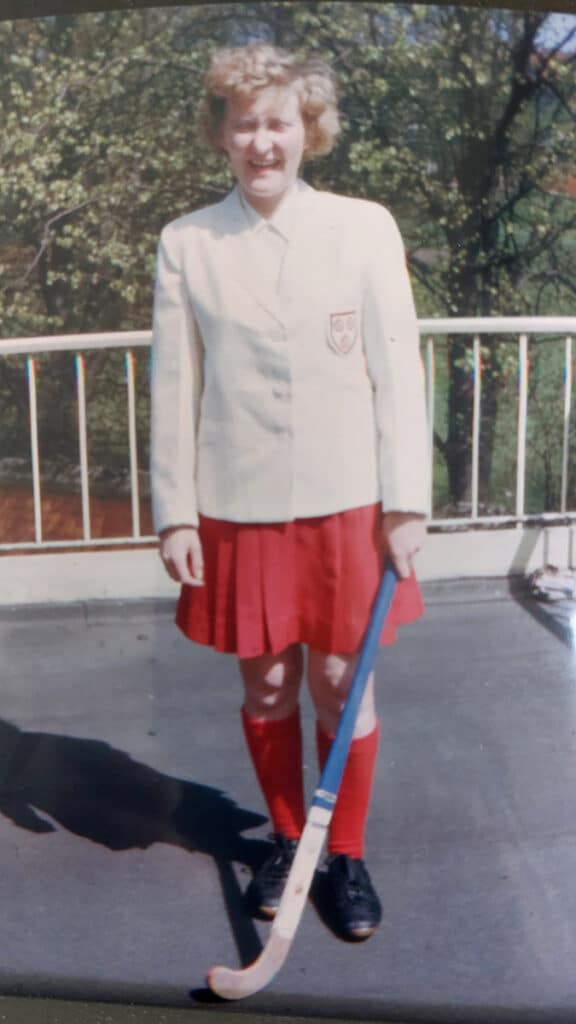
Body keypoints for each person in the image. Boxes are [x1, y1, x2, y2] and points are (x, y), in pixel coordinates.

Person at [150, 43, 429, 941]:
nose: (262, 142)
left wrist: (407, 503)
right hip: (239, 506)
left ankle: (340, 854)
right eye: (245, 125)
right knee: (268, 685)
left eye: (278, 122)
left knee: (342, 682)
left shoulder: (364, 226)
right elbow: (173, 385)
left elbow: (398, 372)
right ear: (221, 137)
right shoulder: (187, 241)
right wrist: (175, 512)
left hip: (350, 502)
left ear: (307, 129)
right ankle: (283, 838)